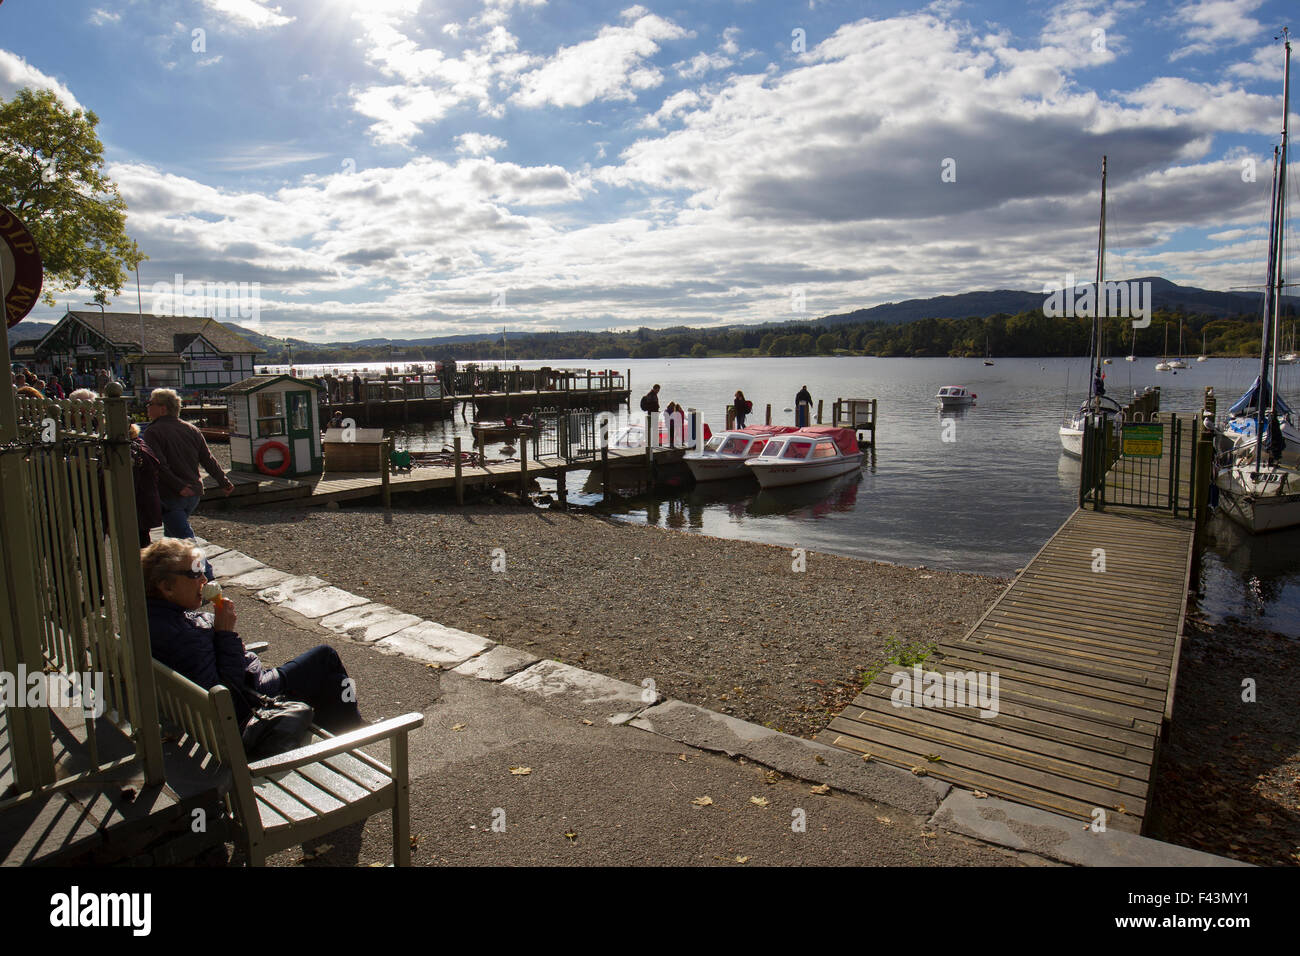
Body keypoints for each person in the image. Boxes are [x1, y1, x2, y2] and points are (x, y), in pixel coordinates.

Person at [142, 538, 365, 735]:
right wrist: (225, 633)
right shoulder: (182, 636)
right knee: (326, 658)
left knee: (334, 681)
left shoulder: (149, 619)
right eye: (194, 573)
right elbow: (229, 696)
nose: (204, 579)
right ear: (166, 587)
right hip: (254, 699)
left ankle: (344, 725)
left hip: (220, 702)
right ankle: (351, 730)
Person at [141, 389, 235, 571]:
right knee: (173, 537)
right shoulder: (191, 429)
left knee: (186, 538)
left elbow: (159, 464)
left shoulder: (153, 431)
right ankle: (173, 573)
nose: (147, 407)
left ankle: (206, 575)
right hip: (193, 493)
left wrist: (178, 486)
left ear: (162, 408)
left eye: (150, 403)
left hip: (171, 493)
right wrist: (223, 481)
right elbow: (208, 459)